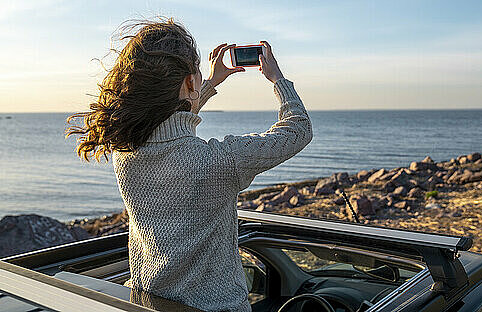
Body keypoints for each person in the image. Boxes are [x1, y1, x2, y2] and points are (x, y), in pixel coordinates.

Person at [66, 18, 313, 312]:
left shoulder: (126, 151)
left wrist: (208, 82)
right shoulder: (218, 162)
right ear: (188, 82)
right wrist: (278, 80)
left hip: (148, 304)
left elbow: (168, 124)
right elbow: (298, 129)